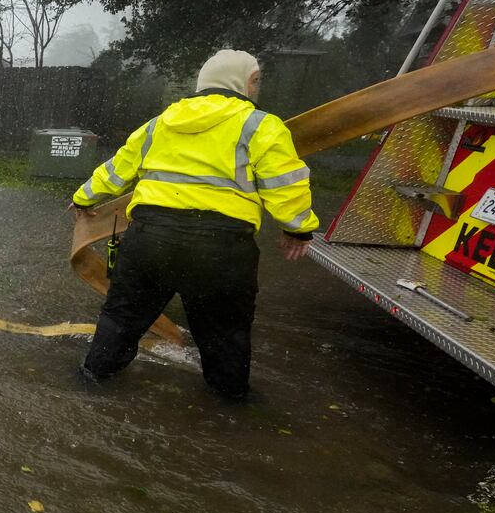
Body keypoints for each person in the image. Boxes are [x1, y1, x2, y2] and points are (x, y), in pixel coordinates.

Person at [69, 50, 318, 399]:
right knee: (225, 334)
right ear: (250, 81)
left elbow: (117, 169)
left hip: (149, 241)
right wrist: (297, 228)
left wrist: (84, 198)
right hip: (221, 250)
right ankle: (231, 410)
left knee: (121, 320)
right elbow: (286, 185)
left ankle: (90, 383)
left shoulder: (159, 124)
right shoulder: (261, 125)